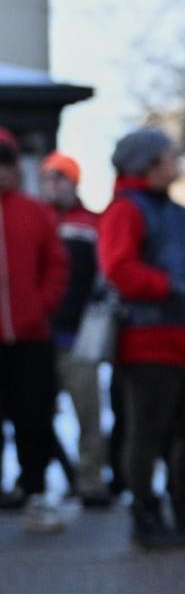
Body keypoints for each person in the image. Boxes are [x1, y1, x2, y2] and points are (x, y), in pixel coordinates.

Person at [98, 128, 185, 549]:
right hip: (151, 345)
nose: (176, 161)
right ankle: (145, 514)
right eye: (169, 155)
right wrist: (171, 287)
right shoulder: (125, 210)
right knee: (147, 433)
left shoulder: (181, 213)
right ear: (147, 164)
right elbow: (119, 269)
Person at [0, 127, 70, 531]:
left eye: (6, 164)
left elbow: (57, 265)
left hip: (31, 339)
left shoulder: (35, 212)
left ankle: (35, 492)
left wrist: (41, 307)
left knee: (34, 419)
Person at [40, 150, 110, 508]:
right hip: (39, 339)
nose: (54, 185)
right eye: (48, 178)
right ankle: (51, 477)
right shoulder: (38, 220)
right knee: (35, 416)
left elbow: (104, 278)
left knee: (89, 417)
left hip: (80, 339)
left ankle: (90, 481)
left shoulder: (92, 224)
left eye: (60, 178)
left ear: (74, 182)